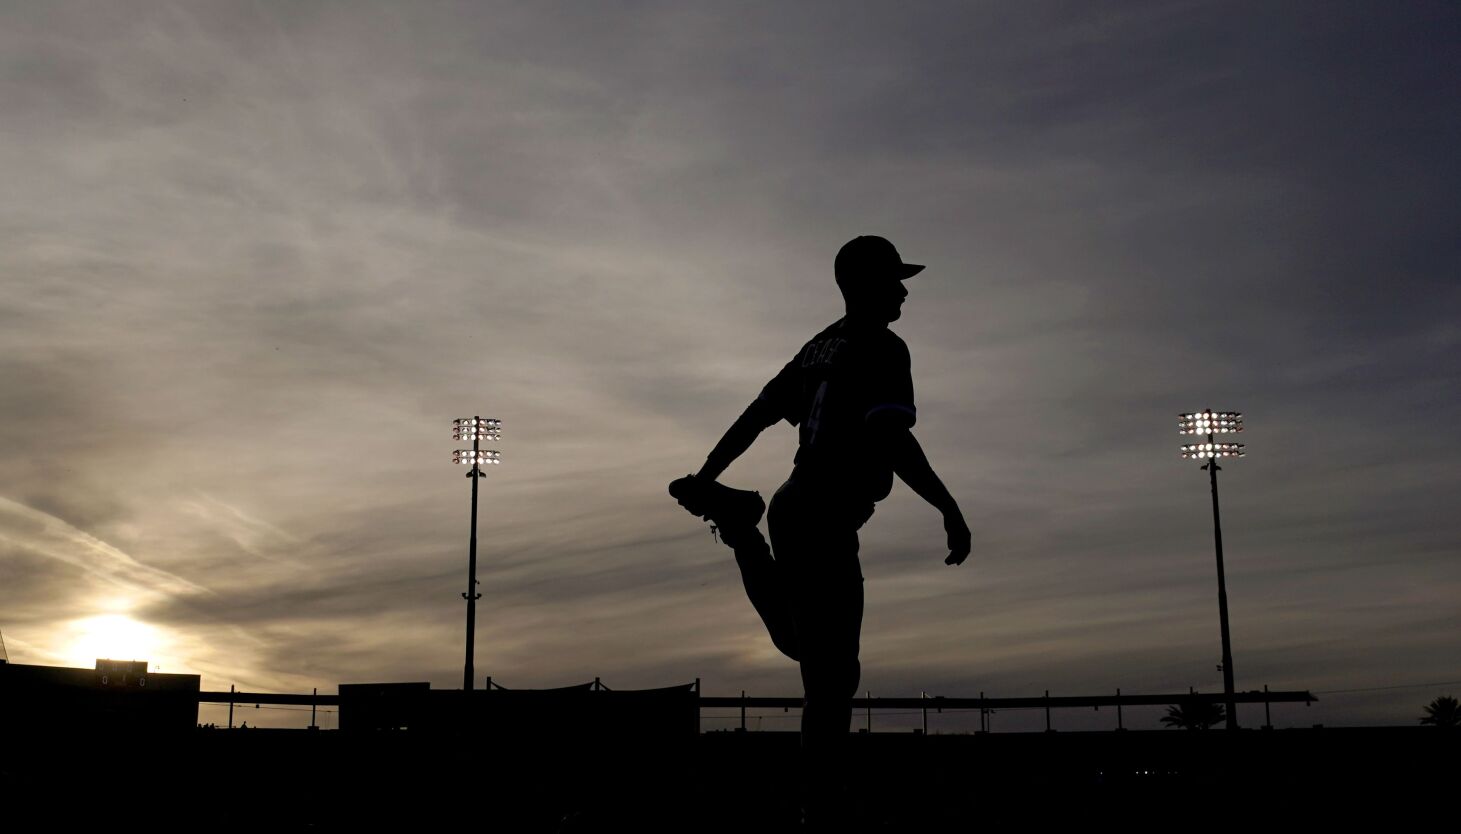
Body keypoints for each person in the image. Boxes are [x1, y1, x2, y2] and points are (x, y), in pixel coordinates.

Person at [670, 234, 971, 824]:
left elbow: (758, 412)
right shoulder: (884, 348)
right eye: (894, 279)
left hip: (795, 506)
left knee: (806, 651)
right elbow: (891, 437)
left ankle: (740, 529)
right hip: (825, 511)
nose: (904, 290)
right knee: (832, 680)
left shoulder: (818, 346)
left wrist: (709, 474)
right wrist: (948, 507)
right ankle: (820, 811)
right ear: (865, 285)